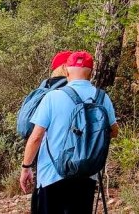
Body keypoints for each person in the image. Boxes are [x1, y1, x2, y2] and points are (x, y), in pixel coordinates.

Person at [19, 51, 119, 214]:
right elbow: (113, 131)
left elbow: (36, 136)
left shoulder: (52, 97)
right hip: (86, 173)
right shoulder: (102, 98)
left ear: (66, 71)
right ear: (91, 72)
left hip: (52, 174)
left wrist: (26, 168)